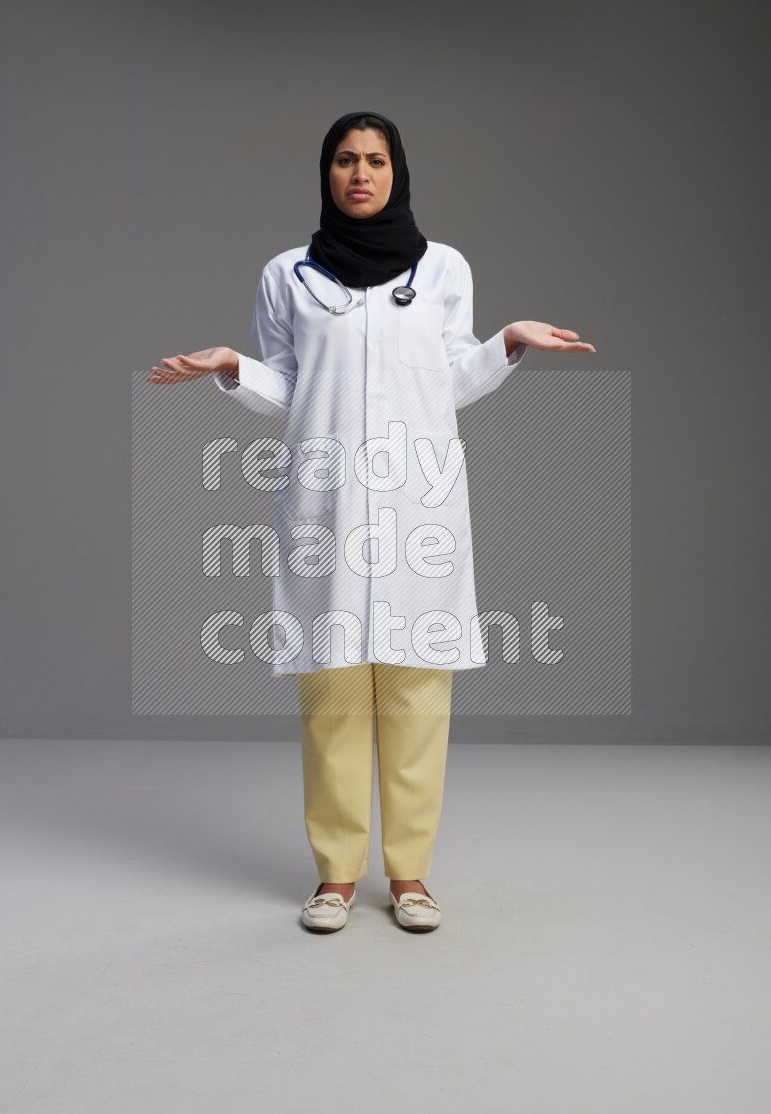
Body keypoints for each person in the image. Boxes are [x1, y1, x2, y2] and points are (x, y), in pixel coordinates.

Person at [149, 110, 595, 935]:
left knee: (419, 693)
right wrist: (230, 366)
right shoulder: (289, 275)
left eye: (376, 160)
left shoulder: (444, 268)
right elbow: (287, 386)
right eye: (347, 160)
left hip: (417, 505)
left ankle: (411, 874)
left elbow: (450, 379)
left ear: (398, 172)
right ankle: (335, 878)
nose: (361, 173)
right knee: (333, 695)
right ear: (326, 173)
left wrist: (507, 342)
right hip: (326, 506)